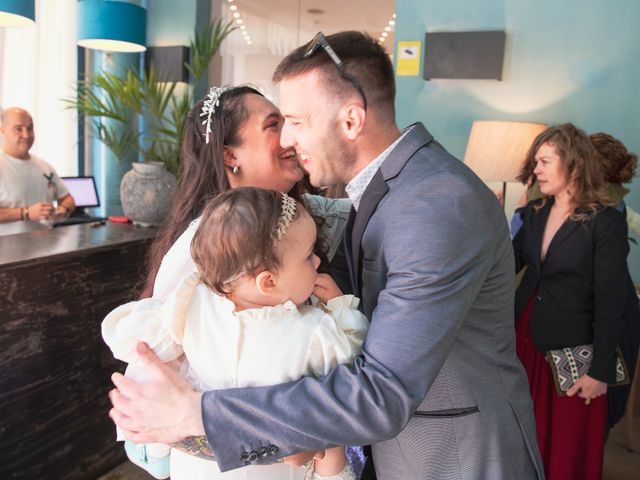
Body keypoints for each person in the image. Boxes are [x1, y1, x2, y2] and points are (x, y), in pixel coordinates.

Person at [109, 31, 544, 479]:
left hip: (450, 460)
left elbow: (380, 393)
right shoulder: (376, 195)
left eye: (294, 120)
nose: (290, 140)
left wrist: (201, 414)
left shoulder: (435, 203)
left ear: (351, 121)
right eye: (277, 125)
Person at [103, 187, 367, 480]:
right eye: (308, 257)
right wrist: (340, 307)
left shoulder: (192, 302)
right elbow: (353, 351)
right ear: (268, 282)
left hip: (200, 469)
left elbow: (134, 336)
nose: (317, 262)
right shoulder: (313, 333)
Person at [512, 124, 629, 479]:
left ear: (573, 164)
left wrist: (600, 372)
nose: (537, 170)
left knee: (566, 449)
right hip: (524, 340)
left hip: (575, 355)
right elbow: (502, 268)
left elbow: (612, 301)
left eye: (545, 161)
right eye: (536, 162)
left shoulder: (605, 222)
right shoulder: (533, 213)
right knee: (522, 437)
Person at [0, 107, 75, 231]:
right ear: (2, 132)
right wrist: (26, 213)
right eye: (18, 129)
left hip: (47, 247)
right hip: (8, 248)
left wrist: (63, 210)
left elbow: (68, 198)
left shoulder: (45, 167)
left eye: (30, 128)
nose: (26, 135)